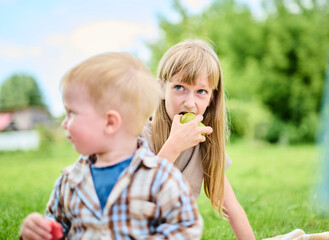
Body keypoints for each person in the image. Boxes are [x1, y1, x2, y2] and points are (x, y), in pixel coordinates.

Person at [20, 52, 203, 240]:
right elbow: (57, 227)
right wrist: (38, 232)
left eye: (71, 113)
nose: (64, 123)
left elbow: (187, 228)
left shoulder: (163, 178)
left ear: (110, 123)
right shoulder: (69, 182)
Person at [140, 40, 255, 240]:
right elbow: (136, 195)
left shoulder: (202, 143)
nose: (190, 102)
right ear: (161, 90)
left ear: (211, 98)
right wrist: (173, 146)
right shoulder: (139, 135)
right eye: (179, 87)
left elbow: (232, 208)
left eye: (201, 91)